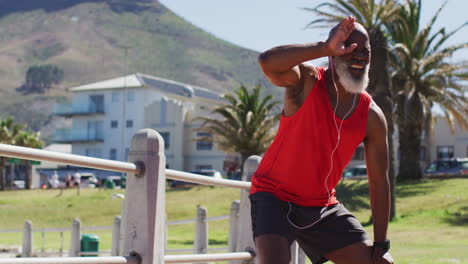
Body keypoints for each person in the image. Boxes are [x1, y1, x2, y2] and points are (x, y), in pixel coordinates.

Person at [250, 16, 393, 264]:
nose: (359, 57)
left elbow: (379, 182)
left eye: (365, 52)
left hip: (321, 206)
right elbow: (268, 63)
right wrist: (322, 46)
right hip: (273, 196)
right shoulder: (306, 82)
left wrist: (380, 243)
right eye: (350, 49)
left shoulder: (372, 116)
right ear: (333, 54)